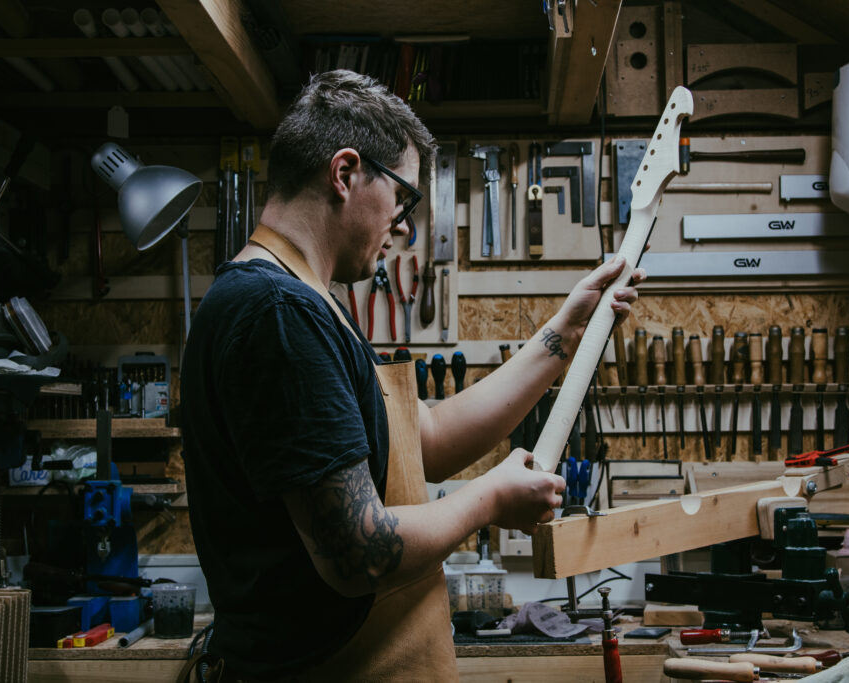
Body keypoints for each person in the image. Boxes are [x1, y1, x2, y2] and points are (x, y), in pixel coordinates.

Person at [180, 69, 646, 682]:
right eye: (402, 197)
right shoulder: (277, 314)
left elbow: (420, 440)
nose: (403, 226)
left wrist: (564, 333)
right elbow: (359, 551)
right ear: (345, 174)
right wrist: (488, 500)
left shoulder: (310, 301)